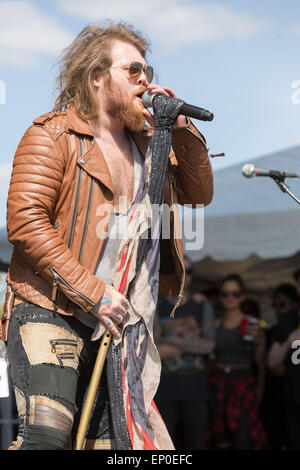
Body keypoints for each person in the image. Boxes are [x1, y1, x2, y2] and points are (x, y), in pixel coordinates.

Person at [1, 22, 213, 450]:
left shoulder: (151, 145)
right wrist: (94, 292)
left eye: (147, 70)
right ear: (96, 76)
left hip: (114, 322)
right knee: (48, 433)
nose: (145, 80)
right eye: (133, 70)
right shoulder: (53, 135)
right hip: (50, 307)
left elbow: (199, 195)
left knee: (106, 444)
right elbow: (25, 221)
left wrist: (184, 128)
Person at [154, 257, 215, 449]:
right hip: (165, 387)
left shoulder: (202, 306)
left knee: (196, 443)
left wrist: (171, 343)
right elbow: (153, 347)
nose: (184, 276)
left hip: (195, 388)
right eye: (180, 271)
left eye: (188, 272)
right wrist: (191, 342)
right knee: (165, 446)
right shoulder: (158, 306)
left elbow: (208, 346)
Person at [208, 274, 267, 450]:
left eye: (235, 293)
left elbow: (260, 362)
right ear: (220, 297)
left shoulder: (252, 325)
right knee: (220, 439)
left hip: (242, 385)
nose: (230, 298)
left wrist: (259, 342)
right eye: (225, 294)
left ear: (243, 296)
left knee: (244, 439)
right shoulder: (214, 325)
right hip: (218, 384)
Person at [267, 285, 300, 449]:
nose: (278, 310)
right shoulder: (288, 322)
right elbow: (272, 364)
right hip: (294, 400)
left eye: (282, 304)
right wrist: (290, 341)